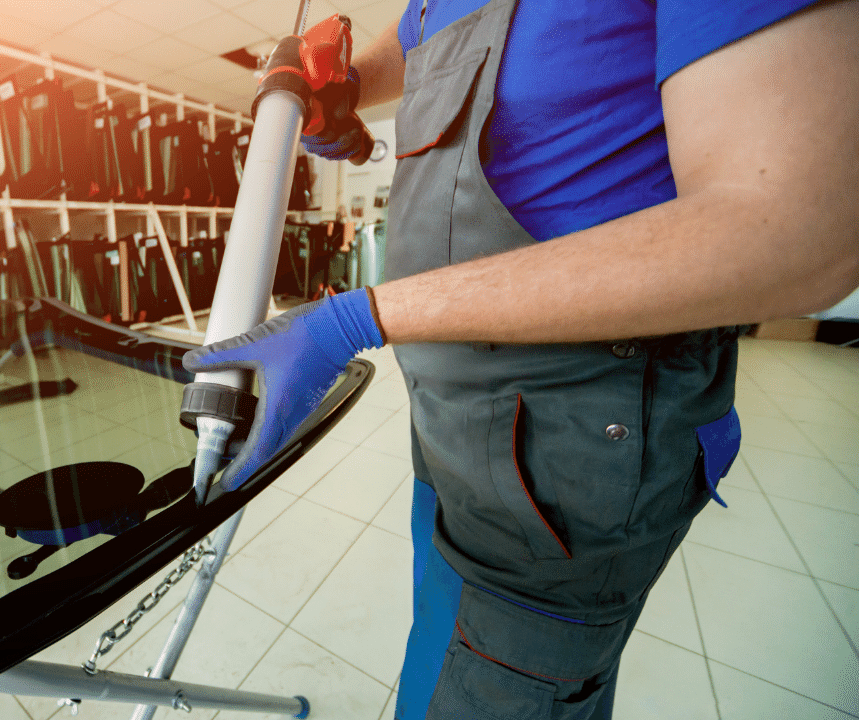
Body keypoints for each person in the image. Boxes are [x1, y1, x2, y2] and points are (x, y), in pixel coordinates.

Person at [183, 1, 859, 717]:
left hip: (568, 458)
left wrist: (362, 316)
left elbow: (795, 232)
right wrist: (344, 84)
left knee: (493, 689)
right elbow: (423, 37)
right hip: (455, 426)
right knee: (449, 646)